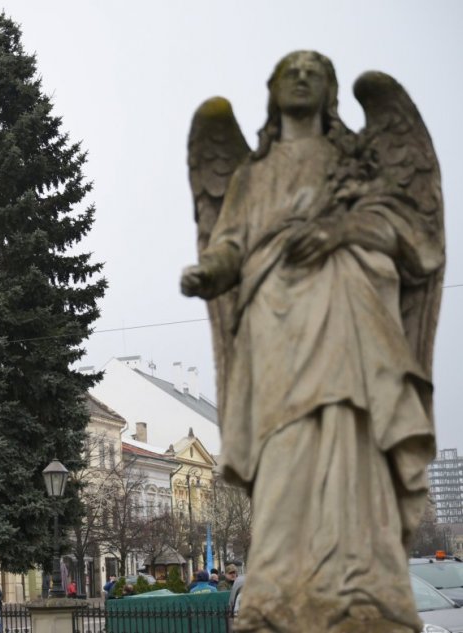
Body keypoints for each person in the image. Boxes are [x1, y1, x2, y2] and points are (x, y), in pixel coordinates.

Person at [182, 50, 443, 631]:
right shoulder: (251, 174)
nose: (302, 77)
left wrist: (338, 230)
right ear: (274, 90)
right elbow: (230, 240)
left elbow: (411, 237)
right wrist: (212, 271)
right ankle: (277, 583)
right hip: (274, 319)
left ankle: (364, 581)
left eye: (315, 71)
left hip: (349, 311)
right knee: (284, 441)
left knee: (352, 431)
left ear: (329, 93)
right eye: (291, 70)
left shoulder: (355, 162)